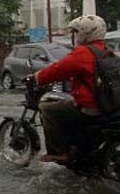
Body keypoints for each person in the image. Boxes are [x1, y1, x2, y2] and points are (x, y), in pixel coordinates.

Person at [31, 15, 108, 163]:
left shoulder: (83, 52)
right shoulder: (105, 50)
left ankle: (57, 152)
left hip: (91, 107)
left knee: (47, 108)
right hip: (110, 105)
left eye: (77, 32)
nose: (76, 36)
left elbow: (57, 69)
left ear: (86, 33)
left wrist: (36, 77)